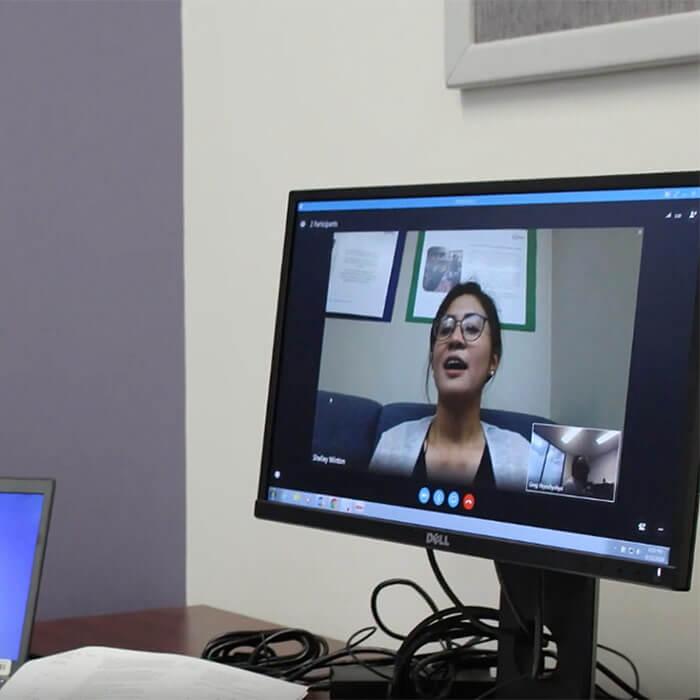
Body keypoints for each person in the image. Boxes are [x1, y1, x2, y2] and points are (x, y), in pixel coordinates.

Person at [369, 282, 530, 491]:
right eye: (445, 329)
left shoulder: (522, 456)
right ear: (433, 359)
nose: (455, 338)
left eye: (472, 328)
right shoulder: (392, 443)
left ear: (493, 362)